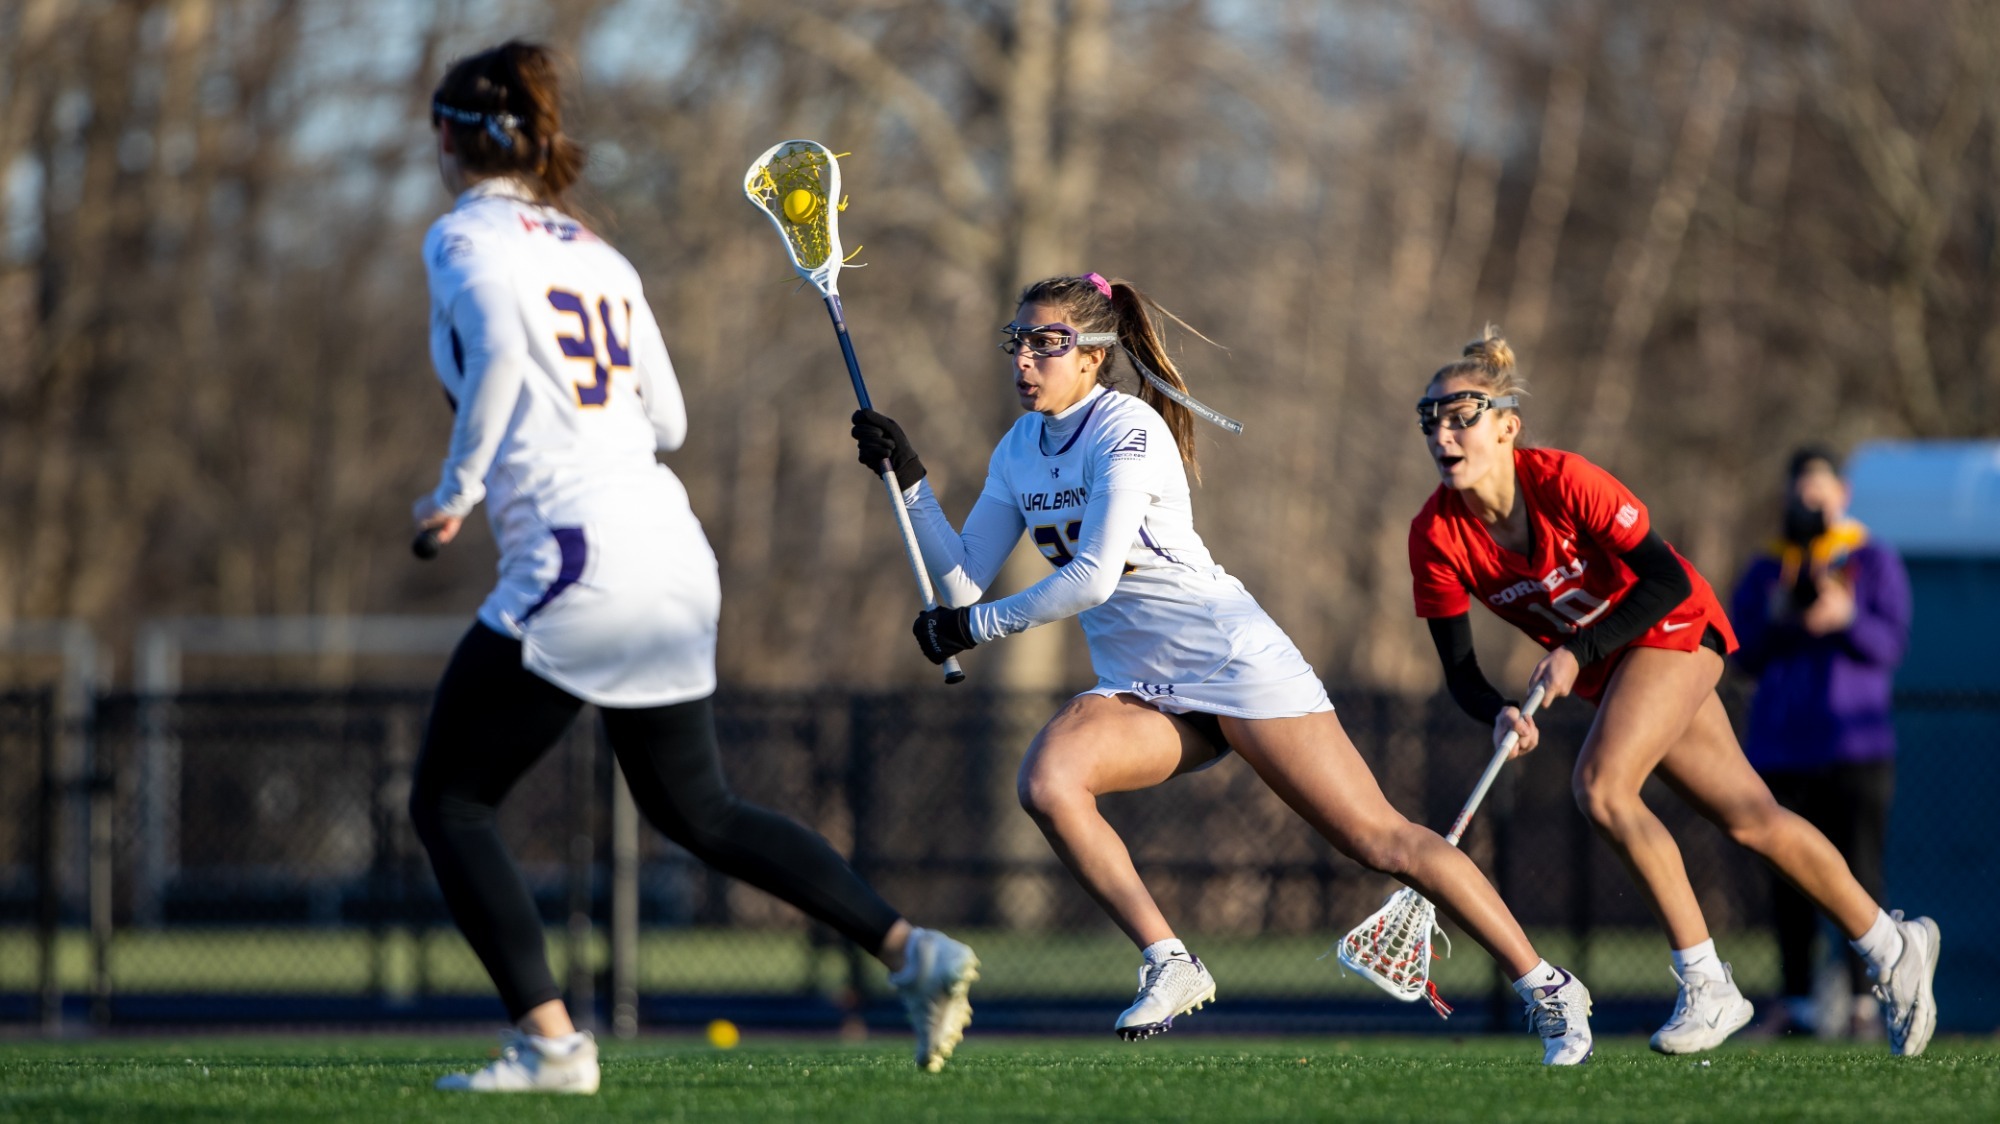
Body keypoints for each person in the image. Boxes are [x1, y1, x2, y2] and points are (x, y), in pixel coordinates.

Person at [406, 41, 977, 1092]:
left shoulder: (463, 238)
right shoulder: (597, 252)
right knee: (695, 808)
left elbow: (491, 354)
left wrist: (457, 487)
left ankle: (552, 1044)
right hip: (670, 543)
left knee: (451, 800)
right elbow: (664, 415)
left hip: (580, 554)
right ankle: (910, 949)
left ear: (448, 136)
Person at [850, 274, 1595, 1065]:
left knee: (1385, 844)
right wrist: (912, 481)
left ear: (1095, 357)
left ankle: (1549, 987)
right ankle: (1170, 961)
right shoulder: (1017, 449)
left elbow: (1091, 578)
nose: (1026, 359)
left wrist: (973, 627)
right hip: (1145, 685)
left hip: (1234, 663)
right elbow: (964, 576)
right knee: (1048, 781)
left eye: (1048, 343)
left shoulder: (1127, 429)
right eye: (1019, 342)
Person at [1405, 327, 1939, 1057]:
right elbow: (1460, 671)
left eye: (1461, 416)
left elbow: (1668, 580)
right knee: (1752, 817)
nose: (1443, 434)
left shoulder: (1566, 481)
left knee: (1601, 787)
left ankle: (1707, 983)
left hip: (1677, 628)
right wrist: (1496, 709)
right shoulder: (1434, 535)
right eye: (1430, 420)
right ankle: (1893, 945)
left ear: (1507, 426)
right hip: (1622, 671)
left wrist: (1575, 650)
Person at [1730, 447, 1911, 1038]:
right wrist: (1783, 617)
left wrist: (1847, 617)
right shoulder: (1767, 568)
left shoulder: (1871, 560)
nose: (1809, 506)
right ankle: (1799, 1004)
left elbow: (1889, 646)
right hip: (1782, 749)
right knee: (1787, 879)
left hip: (1856, 748)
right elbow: (1742, 652)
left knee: (1859, 874)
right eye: (1799, 494)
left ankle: (1864, 1004)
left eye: (1820, 494)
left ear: (1843, 495)